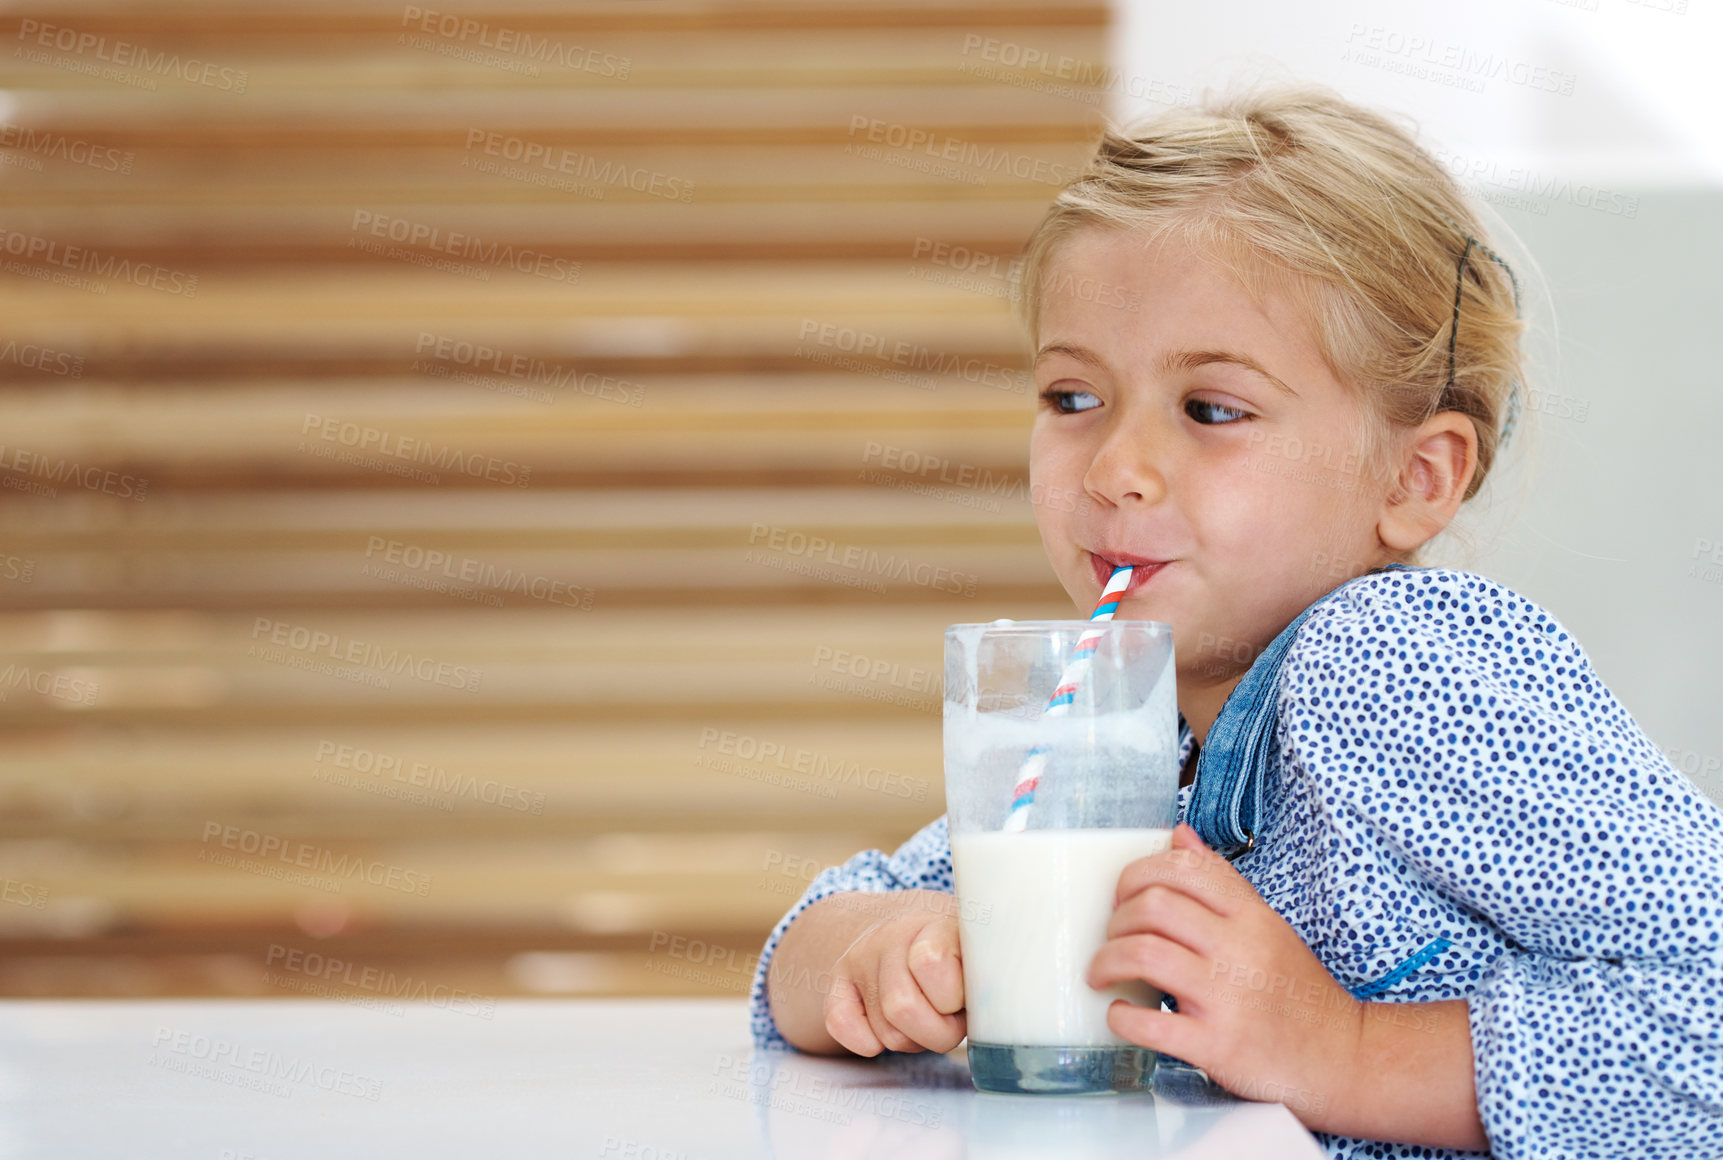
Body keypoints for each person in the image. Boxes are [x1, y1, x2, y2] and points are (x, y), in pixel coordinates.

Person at [745, 83, 1723, 1159]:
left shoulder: (1387, 668)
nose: (1115, 469)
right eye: (1072, 398)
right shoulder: (1132, 724)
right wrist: (888, 948)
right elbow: (809, 940)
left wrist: (1344, 1046)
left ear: (1414, 476)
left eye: (1212, 410)